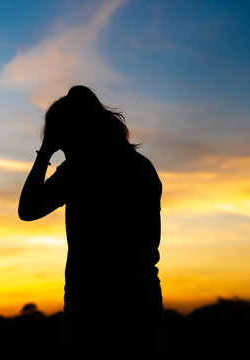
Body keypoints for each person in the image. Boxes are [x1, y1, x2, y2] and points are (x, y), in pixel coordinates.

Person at [18, 85, 167, 355]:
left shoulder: (81, 169)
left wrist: (45, 152)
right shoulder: (142, 166)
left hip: (92, 307)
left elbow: (27, 209)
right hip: (144, 301)